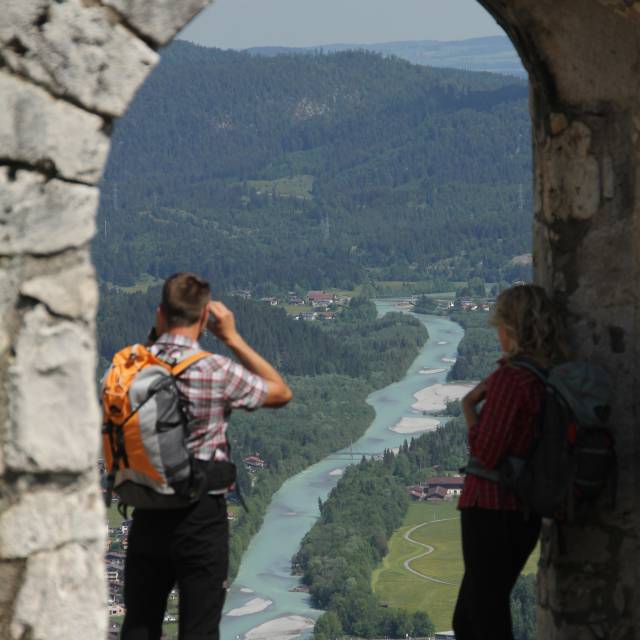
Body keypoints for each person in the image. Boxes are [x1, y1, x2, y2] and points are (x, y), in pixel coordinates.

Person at [120, 272, 292, 640]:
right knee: (199, 628)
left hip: (147, 509)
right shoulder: (215, 370)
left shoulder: (130, 369)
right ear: (203, 319)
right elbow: (280, 392)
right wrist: (230, 337)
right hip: (201, 517)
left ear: (159, 314)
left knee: (139, 626)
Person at [452, 284, 569, 640]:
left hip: (492, 509)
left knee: (481, 621)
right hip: (520, 512)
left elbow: (486, 452)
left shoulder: (510, 379)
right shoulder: (543, 375)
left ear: (512, 329)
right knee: (476, 615)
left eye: (499, 324)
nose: (496, 331)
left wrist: (469, 409)